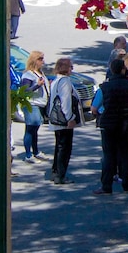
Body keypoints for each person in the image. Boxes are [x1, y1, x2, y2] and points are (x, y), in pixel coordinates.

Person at [93, 59, 128, 195]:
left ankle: (106, 185)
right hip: (125, 122)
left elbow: (95, 108)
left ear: (111, 70)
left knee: (108, 155)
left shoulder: (104, 87)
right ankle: (127, 184)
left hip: (109, 123)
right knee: (126, 154)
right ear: (123, 69)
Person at [49, 57, 83, 185]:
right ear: (66, 68)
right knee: (64, 148)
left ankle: (55, 171)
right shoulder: (65, 82)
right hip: (63, 121)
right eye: (71, 67)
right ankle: (60, 175)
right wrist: (70, 118)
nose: (72, 69)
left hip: (56, 120)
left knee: (59, 146)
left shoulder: (56, 80)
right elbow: (66, 102)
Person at [19, 51, 49, 163]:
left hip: (40, 103)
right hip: (32, 104)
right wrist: (37, 85)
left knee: (35, 129)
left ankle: (36, 151)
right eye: (40, 59)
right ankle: (28, 154)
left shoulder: (40, 73)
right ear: (34, 60)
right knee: (30, 129)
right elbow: (24, 91)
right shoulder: (28, 75)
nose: (43, 62)